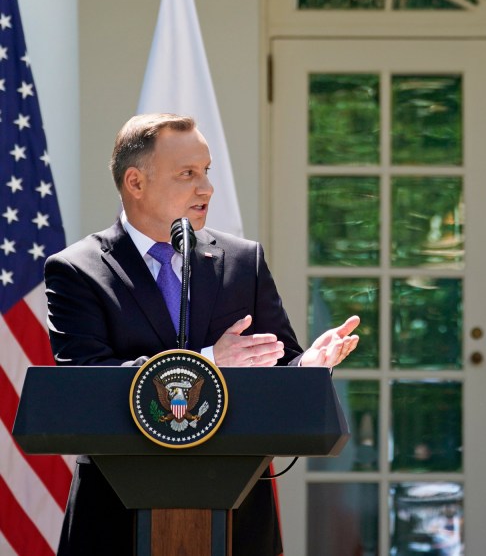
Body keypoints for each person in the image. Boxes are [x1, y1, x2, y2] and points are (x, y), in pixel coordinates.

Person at [44, 113, 361, 556]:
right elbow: (89, 384)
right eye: (187, 173)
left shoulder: (242, 261)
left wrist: (307, 366)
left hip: (237, 513)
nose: (207, 188)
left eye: (206, 171)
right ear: (135, 182)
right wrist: (209, 361)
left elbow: (277, 359)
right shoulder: (77, 270)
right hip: (117, 513)